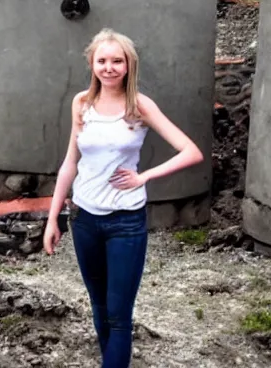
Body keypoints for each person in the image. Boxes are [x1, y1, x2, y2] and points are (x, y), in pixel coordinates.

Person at [43, 28, 204, 368]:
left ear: (129, 65)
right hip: (84, 219)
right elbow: (70, 162)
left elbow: (191, 151)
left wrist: (144, 176)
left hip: (125, 224)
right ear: (92, 63)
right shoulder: (81, 104)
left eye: (117, 61)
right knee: (99, 308)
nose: (109, 67)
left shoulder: (139, 106)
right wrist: (53, 218)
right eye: (102, 60)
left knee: (119, 315)